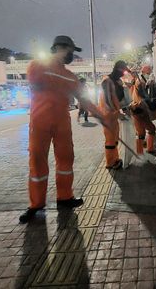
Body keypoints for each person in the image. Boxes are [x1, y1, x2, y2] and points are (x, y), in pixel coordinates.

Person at [19, 35, 102, 223]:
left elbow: (84, 100)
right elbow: (38, 82)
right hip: (40, 122)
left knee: (66, 160)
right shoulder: (37, 66)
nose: (72, 55)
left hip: (62, 122)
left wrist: (101, 115)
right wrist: (69, 86)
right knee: (38, 161)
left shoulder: (70, 76)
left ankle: (65, 197)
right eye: (70, 51)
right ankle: (36, 205)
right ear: (59, 48)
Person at [99, 60, 129, 169]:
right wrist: (117, 113)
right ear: (118, 69)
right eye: (123, 71)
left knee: (115, 139)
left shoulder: (115, 81)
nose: (123, 74)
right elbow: (107, 101)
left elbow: (116, 98)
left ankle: (115, 159)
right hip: (108, 116)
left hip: (113, 116)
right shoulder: (107, 81)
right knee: (110, 141)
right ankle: (110, 162)